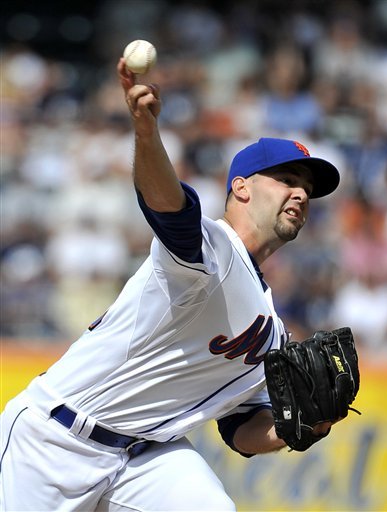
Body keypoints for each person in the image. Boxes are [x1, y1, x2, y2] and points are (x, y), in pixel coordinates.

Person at [0, 58, 341, 512]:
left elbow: (239, 428)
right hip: (54, 439)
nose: (300, 193)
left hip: (145, 456)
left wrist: (297, 428)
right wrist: (145, 131)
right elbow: (167, 206)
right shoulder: (212, 247)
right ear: (241, 188)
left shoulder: (272, 330)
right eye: (287, 180)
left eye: (307, 189)